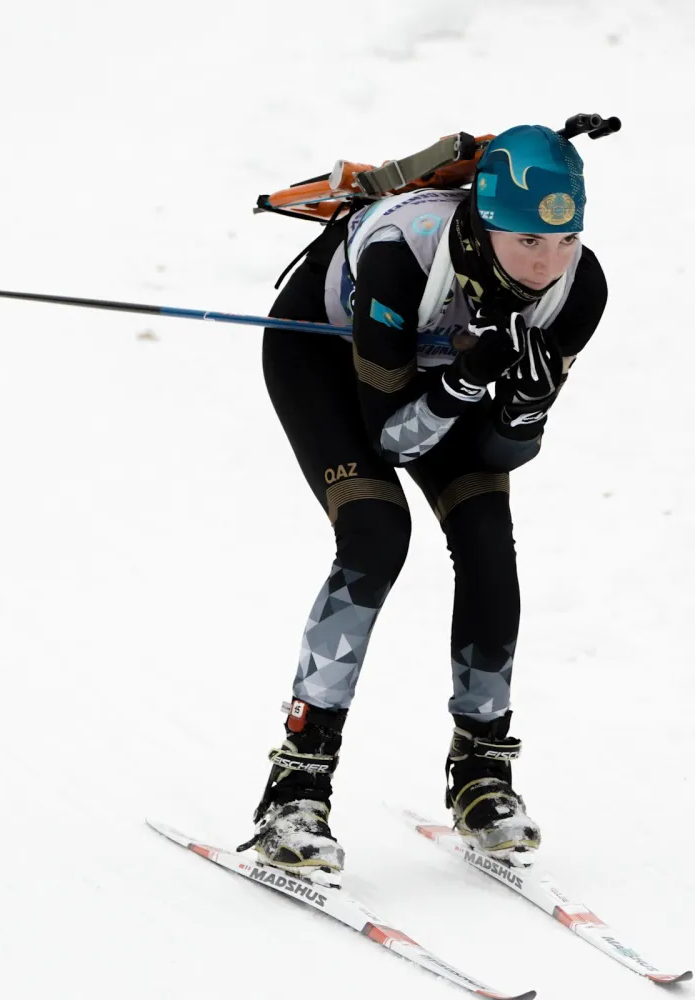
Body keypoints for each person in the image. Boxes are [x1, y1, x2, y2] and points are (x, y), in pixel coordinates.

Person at [239, 124, 609, 884]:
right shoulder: (402, 254)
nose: (545, 265)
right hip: (327, 358)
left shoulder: (581, 288)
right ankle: (297, 783)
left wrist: (524, 413)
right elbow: (393, 438)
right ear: (482, 220)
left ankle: (482, 773)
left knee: (486, 544)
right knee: (376, 537)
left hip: (443, 375)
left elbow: (502, 457)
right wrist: (470, 381)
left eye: (564, 240)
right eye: (526, 242)